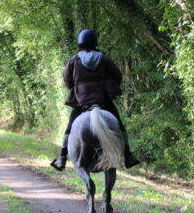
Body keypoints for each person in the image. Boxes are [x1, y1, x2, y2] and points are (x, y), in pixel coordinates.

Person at [50, 29, 139, 171]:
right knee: (120, 126)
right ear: (95, 43)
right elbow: (117, 75)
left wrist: (77, 87)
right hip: (102, 99)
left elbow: (67, 81)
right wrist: (109, 86)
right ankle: (128, 155)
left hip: (82, 101)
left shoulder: (74, 60)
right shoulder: (104, 58)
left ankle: (62, 157)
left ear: (80, 43)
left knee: (70, 127)